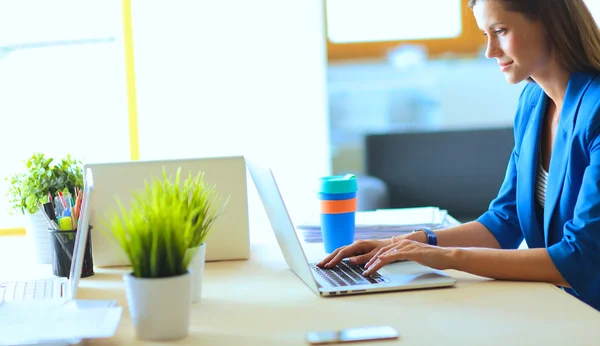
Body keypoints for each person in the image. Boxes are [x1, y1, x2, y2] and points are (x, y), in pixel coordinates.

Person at [317, 0, 600, 311]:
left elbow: (582, 258)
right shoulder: (533, 102)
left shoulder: (595, 110)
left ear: (549, 22)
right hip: (559, 308)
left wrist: (447, 258)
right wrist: (409, 244)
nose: (491, 50)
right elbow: (504, 221)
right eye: (484, 34)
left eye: (500, 31)